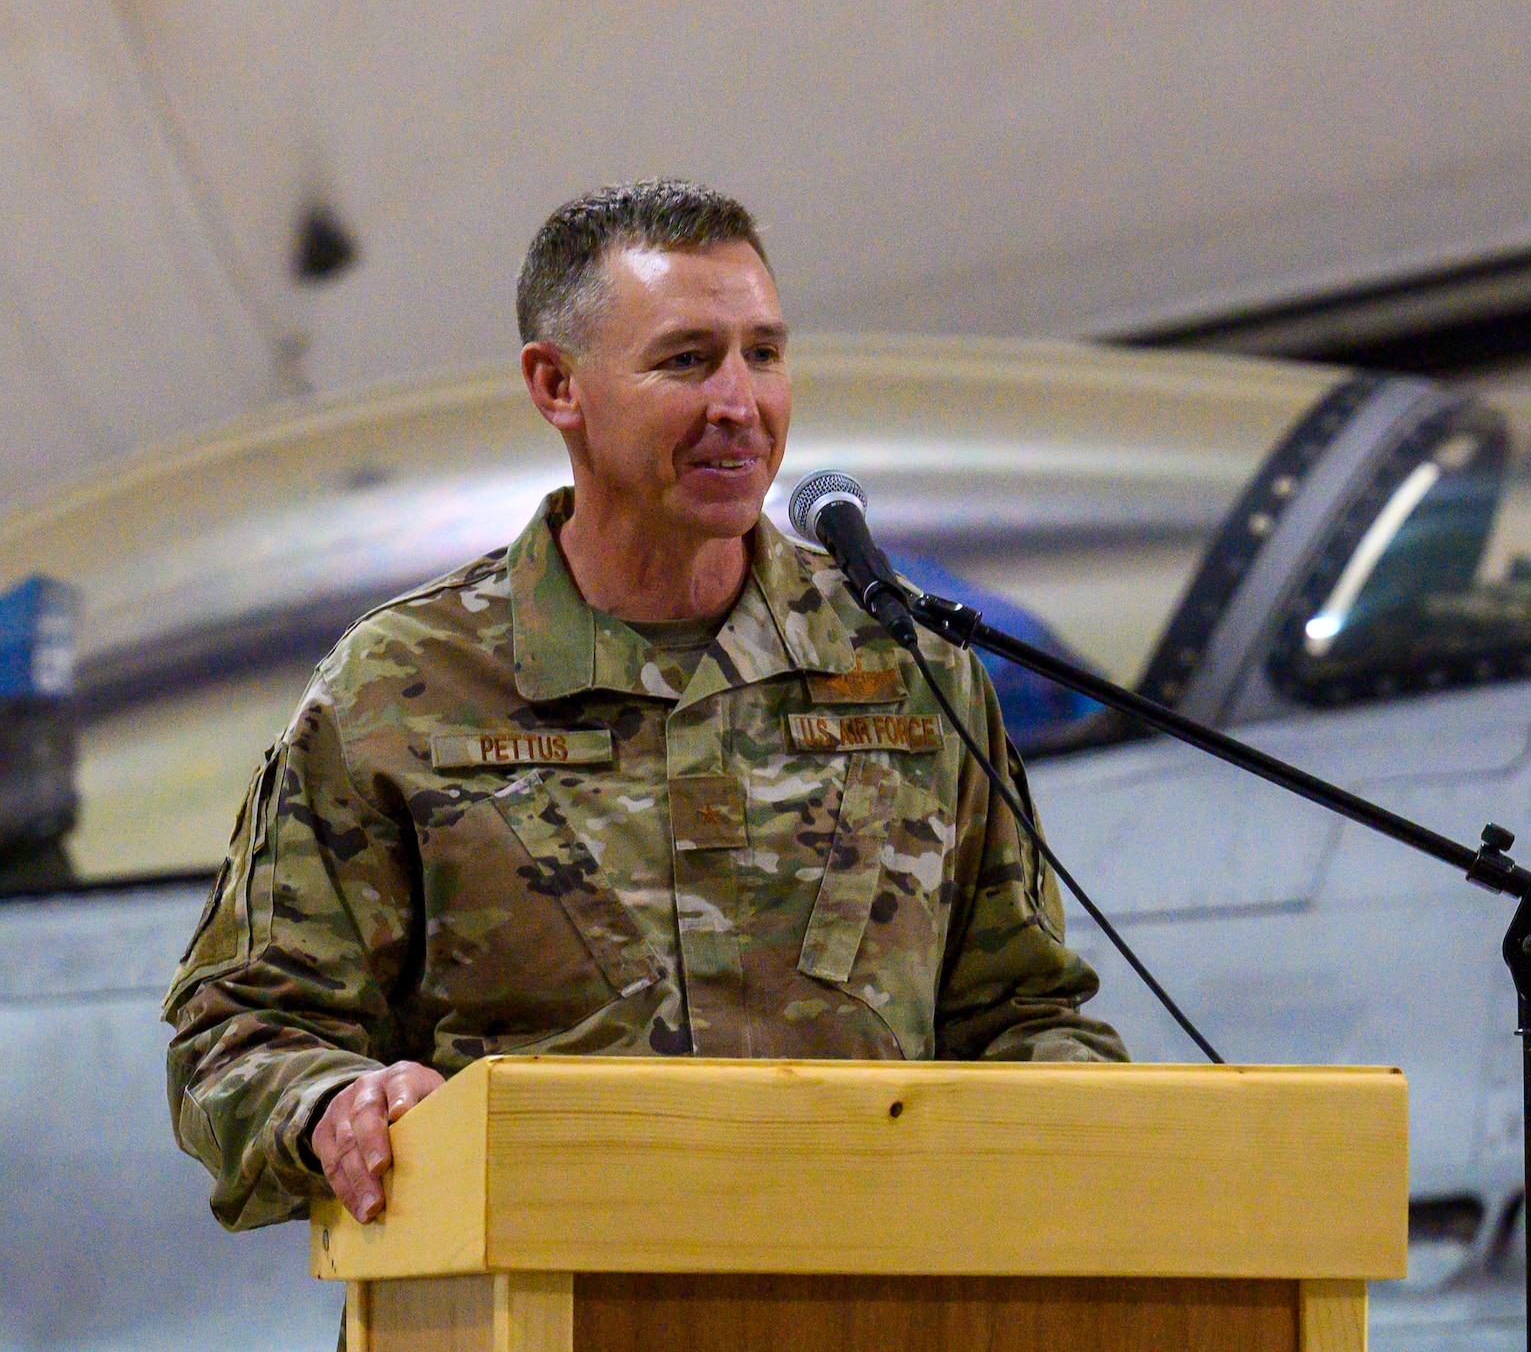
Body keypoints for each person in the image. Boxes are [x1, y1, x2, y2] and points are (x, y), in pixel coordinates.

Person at [163, 179, 1126, 1235]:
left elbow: (1027, 1013)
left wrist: (1092, 1142)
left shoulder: (900, 665)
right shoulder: (401, 684)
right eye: (686, 359)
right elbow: (240, 1031)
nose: (740, 403)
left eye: (763, 353)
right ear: (556, 385)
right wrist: (334, 1105)